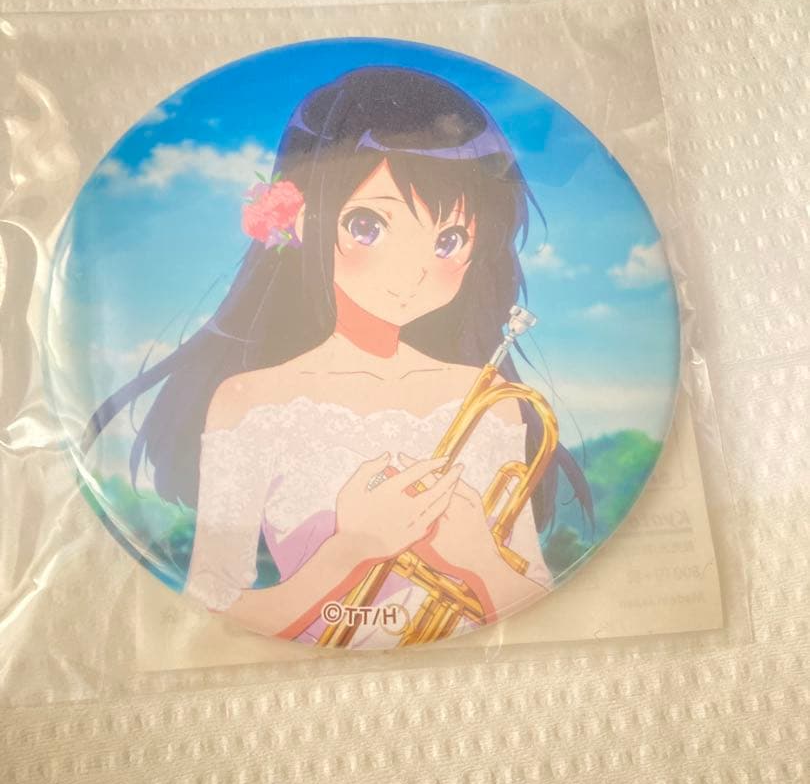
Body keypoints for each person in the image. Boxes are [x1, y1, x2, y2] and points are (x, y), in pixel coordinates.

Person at [84, 66, 590, 648]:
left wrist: (478, 559)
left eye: (448, 240)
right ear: (303, 220)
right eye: (368, 225)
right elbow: (212, 603)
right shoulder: (250, 401)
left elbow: (537, 590)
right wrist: (351, 550)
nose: (412, 272)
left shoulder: (487, 399)